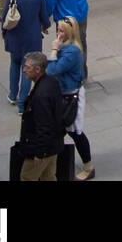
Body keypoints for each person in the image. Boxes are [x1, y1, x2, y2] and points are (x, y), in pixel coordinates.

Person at [47, 16, 93, 180]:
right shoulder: (67, 47)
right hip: (62, 94)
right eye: (58, 30)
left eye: (62, 31)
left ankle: (88, 166)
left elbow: (51, 70)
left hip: (71, 96)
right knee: (60, 130)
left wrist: (53, 50)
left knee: (75, 132)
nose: (58, 34)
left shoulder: (71, 51)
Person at [2, 0, 49, 112]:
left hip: (15, 36)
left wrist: (4, 32)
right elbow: (44, 16)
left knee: (14, 64)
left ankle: (12, 94)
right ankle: (22, 104)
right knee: (28, 68)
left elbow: (5, 15)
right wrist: (45, 26)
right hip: (32, 38)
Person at [18, 50, 66, 182]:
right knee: (49, 176)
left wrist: (39, 153)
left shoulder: (40, 96)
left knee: (27, 177)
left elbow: (43, 126)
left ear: (37, 69)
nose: (24, 70)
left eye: (27, 67)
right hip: (53, 144)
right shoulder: (51, 82)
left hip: (42, 148)